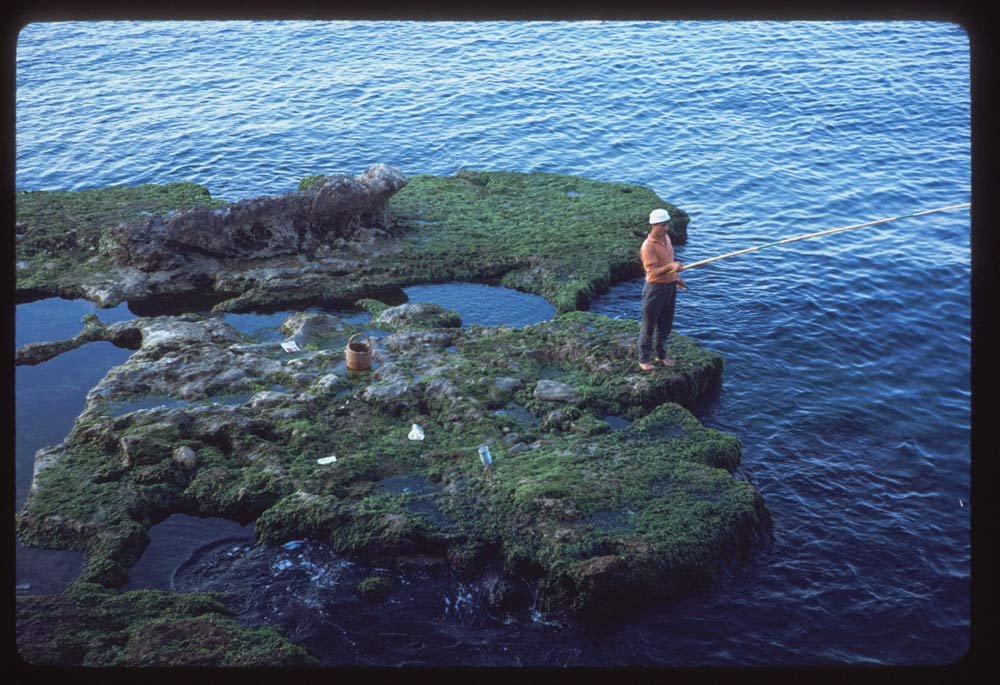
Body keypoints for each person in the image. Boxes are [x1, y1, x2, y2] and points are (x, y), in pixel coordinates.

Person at [638, 208, 686, 372]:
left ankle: (661, 354)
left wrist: (676, 278)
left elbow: (669, 262)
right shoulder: (648, 246)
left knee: (665, 324)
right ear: (653, 226)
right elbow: (652, 272)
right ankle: (643, 359)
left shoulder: (667, 238)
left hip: (669, 286)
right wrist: (671, 266)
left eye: (667, 224)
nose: (666, 228)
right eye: (663, 225)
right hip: (655, 289)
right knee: (649, 325)